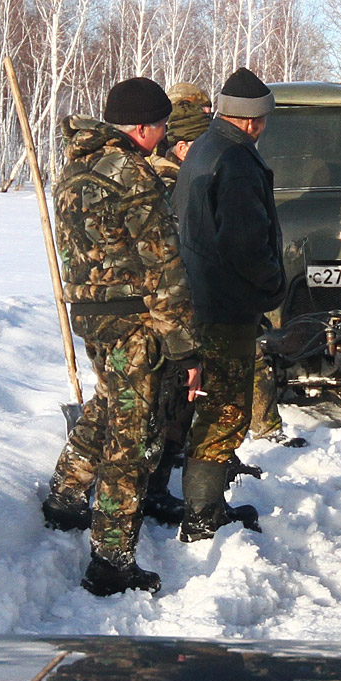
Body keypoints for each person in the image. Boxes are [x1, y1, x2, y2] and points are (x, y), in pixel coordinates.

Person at [40, 77, 203, 597]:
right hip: (133, 322)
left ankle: (66, 496)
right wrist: (184, 345)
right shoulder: (132, 175)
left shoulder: (75, 167)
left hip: (90, 316)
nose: (162, 135)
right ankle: (111, 560)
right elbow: (163, 267)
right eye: (159, 126)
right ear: (142, 127)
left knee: (110, 403)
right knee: (131, 440)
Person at [173, 67, 287, 542]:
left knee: (214, 404)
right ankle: (202, 515)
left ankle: (202, 505)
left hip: (200, 296)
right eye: (264, 120)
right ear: (253, 120)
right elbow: (245, 242)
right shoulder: (236, 160)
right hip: (224, 304)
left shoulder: (203, 147)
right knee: (225, 408)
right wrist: (272, 285)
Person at [139, 82, 210, 526]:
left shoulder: (169, 175)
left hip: (171, 307)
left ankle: (159, 481)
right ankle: (153, 487)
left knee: (175, 401)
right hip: (163, 312)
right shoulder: (164, 181)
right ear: (182, 146)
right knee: (167, 402)